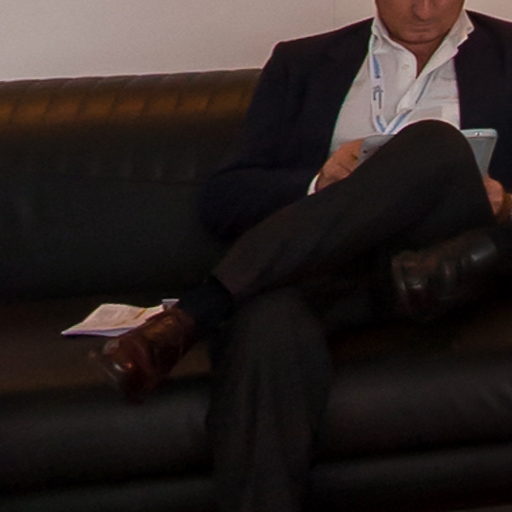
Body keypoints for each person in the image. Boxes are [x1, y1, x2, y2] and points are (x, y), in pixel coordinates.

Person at [91, 1, 512, 511]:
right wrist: (318, 181)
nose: (424, 10)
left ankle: (197, 312)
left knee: (435, 144)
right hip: (326, 274)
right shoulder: (304, 64)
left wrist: (507, 203)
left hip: (446, 271)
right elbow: (224, 199)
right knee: (265, 320)